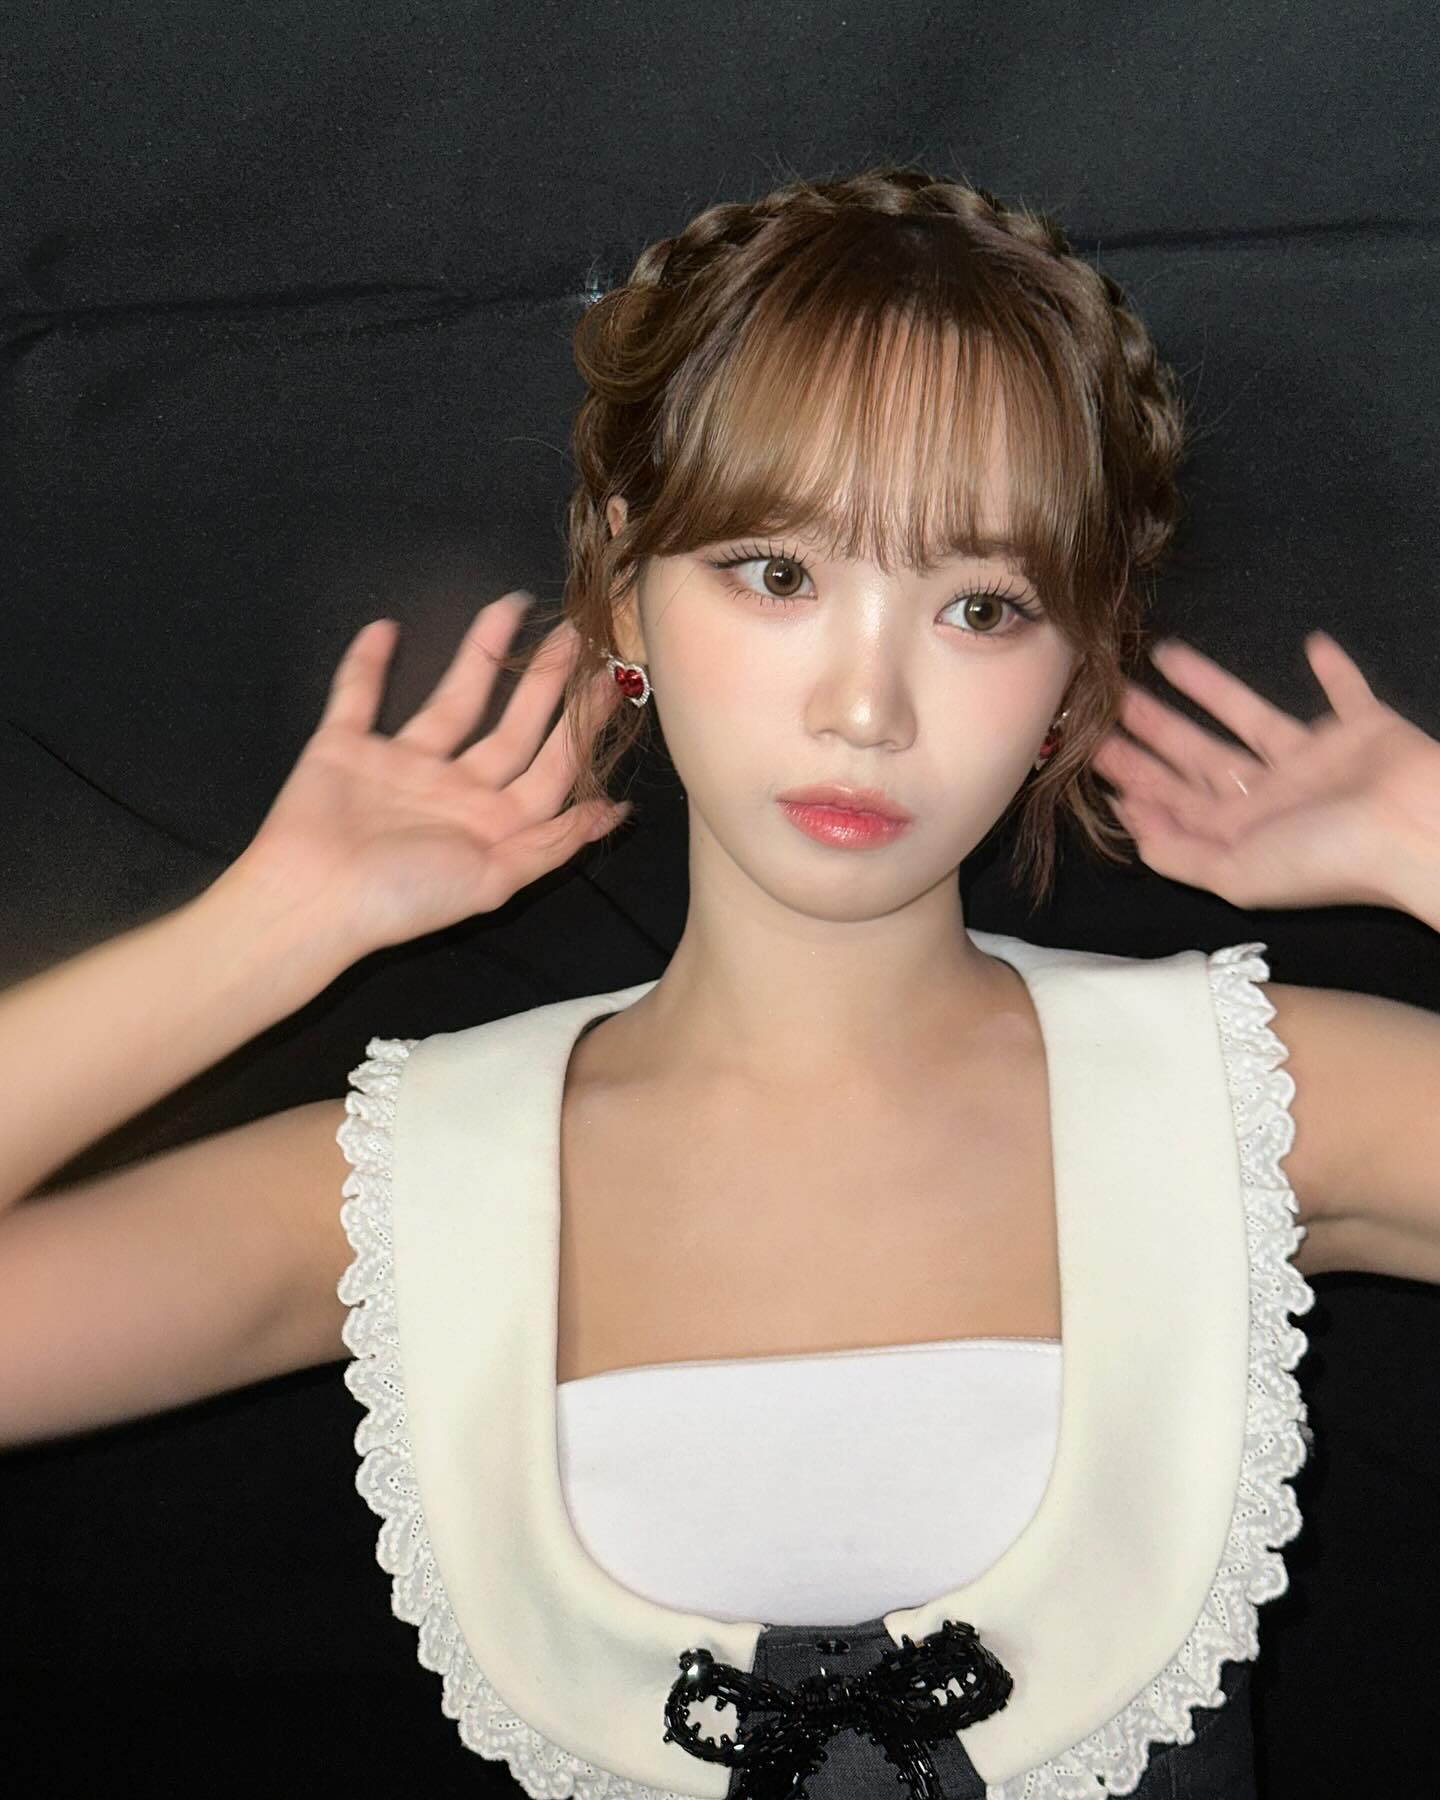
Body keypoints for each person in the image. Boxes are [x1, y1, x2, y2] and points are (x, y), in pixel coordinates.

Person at [2, 163, 1438, 1799]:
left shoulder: (1234, 1104)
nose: (864, 707)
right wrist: (268, 930)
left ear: (1077, 665)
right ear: (626, 585)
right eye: (777, 573)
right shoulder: (441, 1174)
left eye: (980, 606)